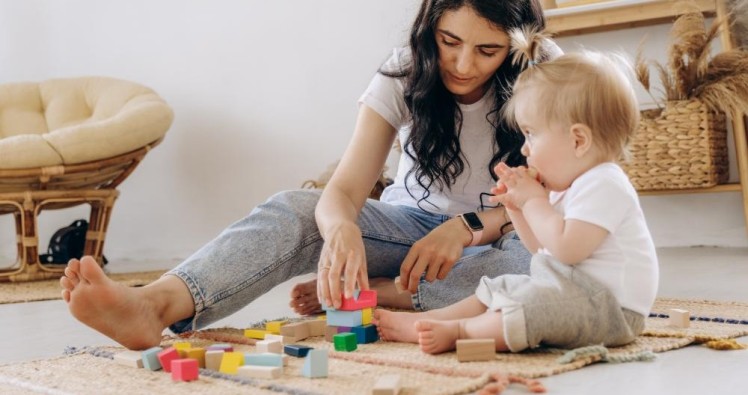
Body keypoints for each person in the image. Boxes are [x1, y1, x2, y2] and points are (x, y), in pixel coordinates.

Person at [60, 0, 557, 351]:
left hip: (508, 233)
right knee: (298, 211)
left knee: (547, 270)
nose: (463, 64)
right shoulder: (406, 70)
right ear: (431, 26)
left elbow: (556, 201)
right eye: (449, 41)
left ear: (516, 48)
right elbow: (342, 190)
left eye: (487, 51)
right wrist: (341, 230)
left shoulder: (548, 71)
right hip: (409, 230)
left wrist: (470, 224)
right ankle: (156, 304)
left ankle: (385, 293)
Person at [373, 27, 659, 354]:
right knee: (500, 287)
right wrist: (517, 210)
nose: (524, 150)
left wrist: (535, 200)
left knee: (527, 305)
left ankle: (460, 332)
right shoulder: (570, 187)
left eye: (531, 135)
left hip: (610, 310)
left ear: (578, 140)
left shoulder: (605, 183)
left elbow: (566, 250)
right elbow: (543, 251)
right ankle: (437, 317)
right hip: (574, 293)